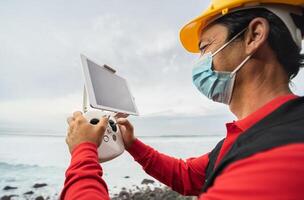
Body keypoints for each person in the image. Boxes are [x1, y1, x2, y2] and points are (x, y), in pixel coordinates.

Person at [61, 0, 304, 199]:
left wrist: (82, 152)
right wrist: (133, 145)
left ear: (254, 35)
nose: (200, 61)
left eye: (205, 47)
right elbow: (187, 176)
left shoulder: (281, 159)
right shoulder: (252, 136)